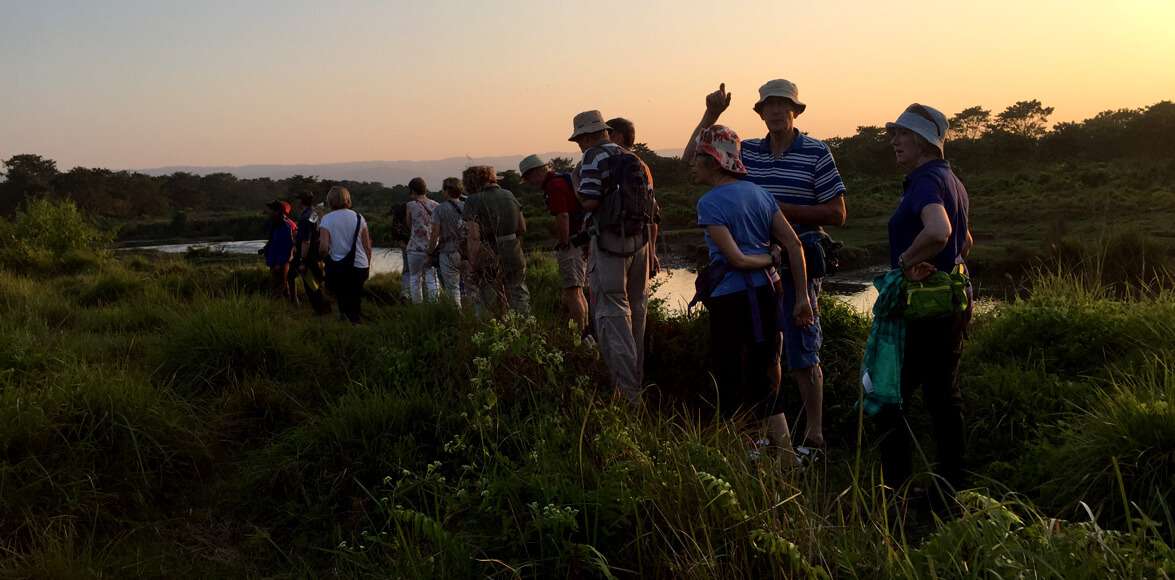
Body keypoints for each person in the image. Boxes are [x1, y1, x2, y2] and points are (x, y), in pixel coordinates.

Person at [684, 79, 847, 452]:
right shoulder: (750, 152)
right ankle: (769, 436)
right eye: (768, 105)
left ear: (796, 111)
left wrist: (774, 210)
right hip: (761, 276)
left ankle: (814, 437)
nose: (775, 111)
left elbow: (838, 213)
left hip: (797, 259)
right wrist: (712, 113)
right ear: (759, 112)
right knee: (765, 351)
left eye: (783, 105)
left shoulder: (816, 153)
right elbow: (696, 161)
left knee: (803, 349)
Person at [691, 125, 814, 457]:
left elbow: (736, 258)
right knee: (765, 371)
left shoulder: (709, 203)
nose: (693, 162)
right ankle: (786, 455)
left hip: (731, 299)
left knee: (730, 372)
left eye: (698, 156)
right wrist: (801, 296)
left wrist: (762, 258)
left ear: (713, 162)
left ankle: (744, 450)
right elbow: (793, 243)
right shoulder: (761, 194)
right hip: (768, 292)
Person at [878, 103, 973, 490]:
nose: (895, 142)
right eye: (895, 135)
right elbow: (965, 240)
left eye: (902, 135)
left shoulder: (925, 181)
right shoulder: (952, 180)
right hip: (949, 306)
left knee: (887, 398)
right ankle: (953, 488)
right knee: (942, 398)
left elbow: (940, 231)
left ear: (923, 142)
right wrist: (945, 268)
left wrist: (904, 264)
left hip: (922, 310)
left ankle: (896, 492)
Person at [571, 110, 657, 403]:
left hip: (609, 244)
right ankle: (639, 380)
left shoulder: (593, 158)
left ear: (585, 137)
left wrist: (579, 193)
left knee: (612, 315)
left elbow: (591, 199)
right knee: (638, 313)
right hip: (640, 243)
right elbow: (652, 209)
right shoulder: (637, 160)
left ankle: (627, 395)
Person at [520, 154, 588, 331]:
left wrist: (564, 242)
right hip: (581, 239)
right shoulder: (561, 180)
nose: (529, 182)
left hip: (572, 242)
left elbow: (563, 215)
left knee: (572, 292)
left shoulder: (554, 187)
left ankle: (579, 336)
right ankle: (586, 331)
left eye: (528, 178)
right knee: (578, 291)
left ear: (536, 173)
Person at [461, 166, 529, 316]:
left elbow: (474, 236)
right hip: (514, 251)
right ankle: (525, 328)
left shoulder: (473, 200)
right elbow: (522, 228)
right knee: (519, 293)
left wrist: (473, 263)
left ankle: (496, 332)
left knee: (490, 298)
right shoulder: (509, 195)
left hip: (489, 254)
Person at [606, 117, 661, 277]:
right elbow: (652, 213)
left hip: (619, 244)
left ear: (616, 136)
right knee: (638, 299)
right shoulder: (643, 166)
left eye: (606, 135)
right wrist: (651, 251)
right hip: (641, 242)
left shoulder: (615, 165)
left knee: (617, 297)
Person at [318, 186, 373, 324]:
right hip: (359, 265)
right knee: (355, 297)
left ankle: (345, 321)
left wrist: (323, 259)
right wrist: (368, 265)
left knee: (341, 297)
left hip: (338, 267)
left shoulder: (327, 219)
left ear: (330, 200)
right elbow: (367, 246)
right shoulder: (359, 217)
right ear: (347, 199)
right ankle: (356, 322)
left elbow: (323, 247)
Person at [429, 177, 468, 307]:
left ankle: (457, 316)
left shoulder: (439, 209)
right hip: (467, 252)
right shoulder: (467, 206)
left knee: (452, 288)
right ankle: (473, 315)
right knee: (471, 286)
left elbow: (435, 234)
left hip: (447, 252)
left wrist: (430, 252)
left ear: (447, 191)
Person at [292, 191, 330, 315]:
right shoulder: (313, 213)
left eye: (298, 200)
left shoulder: (304, 218)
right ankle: (325, 308)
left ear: (301, 201)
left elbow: (306, 241)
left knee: (311, 285)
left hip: (309, 256)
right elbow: (315, 232)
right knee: (318, 283)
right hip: (317, 254)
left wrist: (302, 260)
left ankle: (321, 311)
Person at [404, 177, 440, 304]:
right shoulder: (436, 205)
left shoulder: (410, 205)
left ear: (413, 190)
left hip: (414, 247)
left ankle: (417, 306)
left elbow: (409, 224)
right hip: (431, 248)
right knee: (431, 278)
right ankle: (434, 305)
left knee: (414, 279)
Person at [262, 199, 297, 301]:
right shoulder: (275, 225)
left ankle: (271, 311)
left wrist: (279, 263)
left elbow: (287, 246)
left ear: (280, 211)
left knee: (278, 289)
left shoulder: (286, 226)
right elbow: (274, 243)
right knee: (283, 287)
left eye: (273, 210)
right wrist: (265, 250)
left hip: (281, 263)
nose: (270, 212)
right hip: (275, 262)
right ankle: (292, 307)